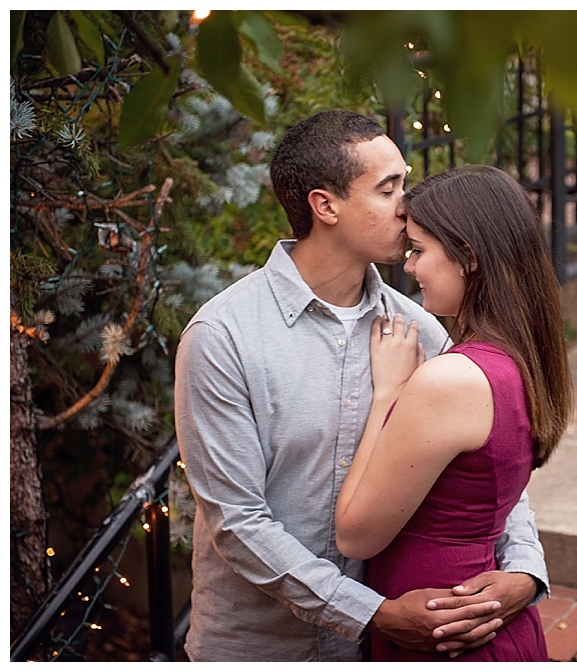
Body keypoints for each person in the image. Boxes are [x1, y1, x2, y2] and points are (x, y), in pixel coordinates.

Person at [174, 111, 550, 662]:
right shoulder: (224, 336)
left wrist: (524, 567)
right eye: (388, 188)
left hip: (378, 648)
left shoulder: (421, 326)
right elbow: (236, 520)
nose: (408, 205)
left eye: (406, 181)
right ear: (325, 206)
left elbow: (481, 469)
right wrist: (369, 612)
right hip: (263, 647)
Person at [335, 165, 573, 661]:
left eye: (419, 249)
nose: (409, 265)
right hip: (480, 620)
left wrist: (389, 394)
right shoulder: (522, 355)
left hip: (445, 633)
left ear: (467, 257)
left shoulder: (452, 379)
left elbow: (355, 535)